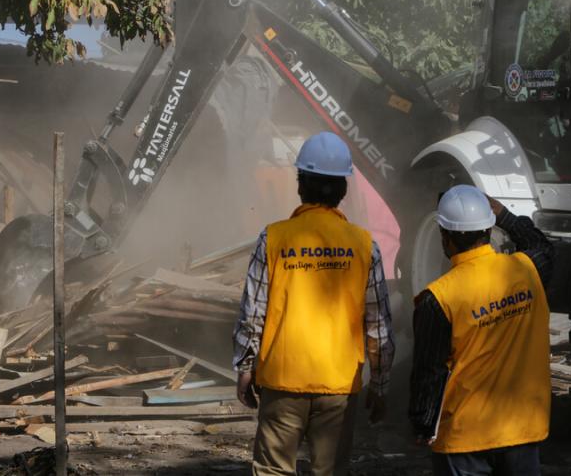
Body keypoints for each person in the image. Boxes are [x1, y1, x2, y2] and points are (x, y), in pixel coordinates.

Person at [232, 131, 395, 476]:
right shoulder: (366, 246)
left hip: (281, 381)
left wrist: (246, 367)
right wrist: (380, 385)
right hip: (338, 385)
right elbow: (378, 325)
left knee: (273, 471)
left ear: (300, 184)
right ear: (343, 190)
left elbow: (253, 313)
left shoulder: (273, 238)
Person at [409, 184, 554, 476]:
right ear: (489, 230)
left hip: (464, 439)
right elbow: (544, 246)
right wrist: (503, 215)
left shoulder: (437, 298)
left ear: (445, 238)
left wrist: (424, 423)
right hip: (523, 430)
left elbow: (430, 370)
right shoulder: (527, 270)